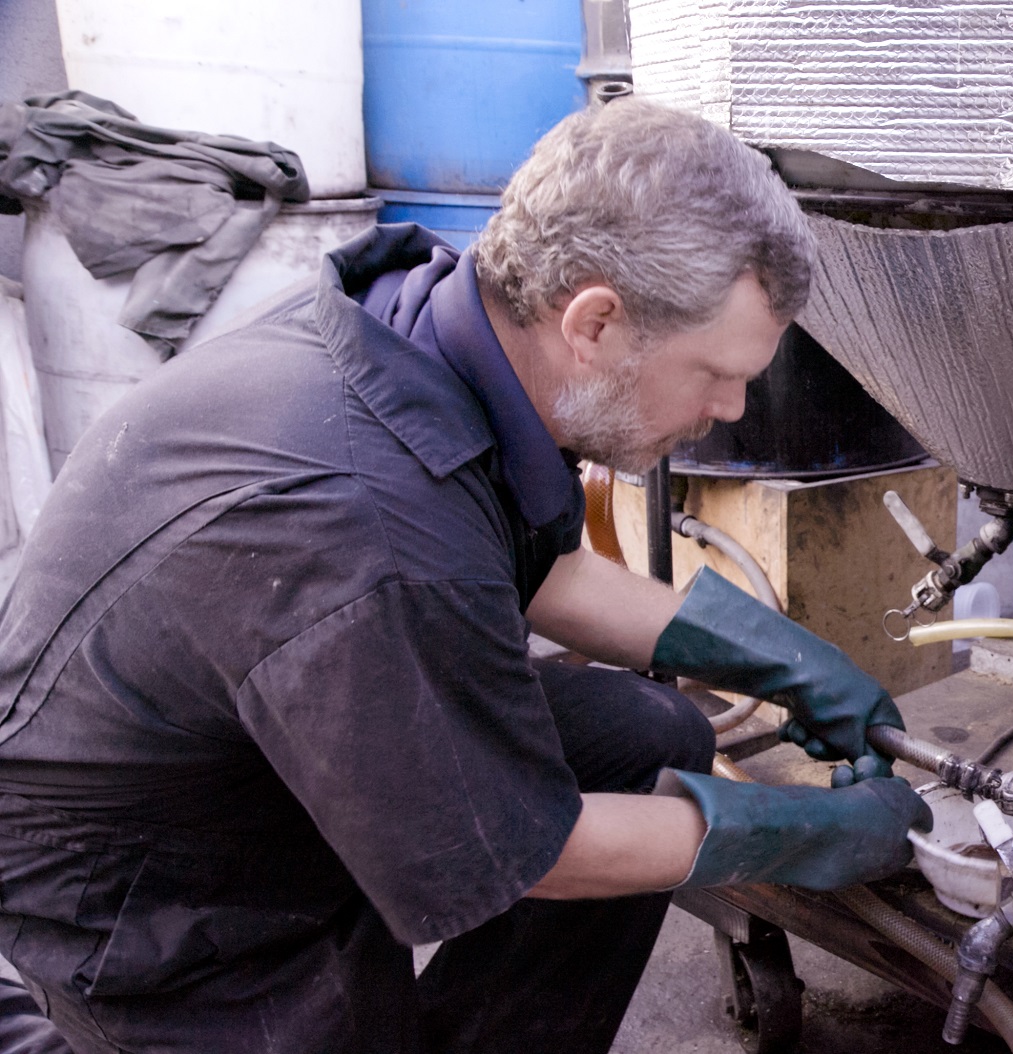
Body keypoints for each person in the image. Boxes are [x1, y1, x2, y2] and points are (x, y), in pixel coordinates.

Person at [0, 99, 930, 1053]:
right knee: (346, 1014)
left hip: (271, 722)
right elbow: (529, 849)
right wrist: (808, 831)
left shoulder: (439, 328)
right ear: (596, 322)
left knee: (647, 736)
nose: (730, 407)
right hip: (156, 875)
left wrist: (787, 660)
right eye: (714, 373)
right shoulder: (372, 525)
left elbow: (549, 572)